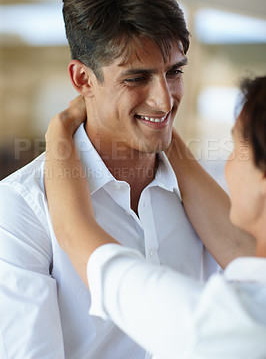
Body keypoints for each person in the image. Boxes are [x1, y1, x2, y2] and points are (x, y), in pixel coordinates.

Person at [0, 0, 253, 359]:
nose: (166, 101)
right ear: (83, 79)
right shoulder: (22, 207)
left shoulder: (209, 199)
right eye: (138, 78)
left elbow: (248, 256)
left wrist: (62, 130)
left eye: (175, 72)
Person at [44, 75, 266, 359]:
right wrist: (156, 126)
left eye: (236, 149)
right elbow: (239, 246)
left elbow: (74, 231)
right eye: (137, 77)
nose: (227, 165)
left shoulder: (229, 324)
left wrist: (58, 130)